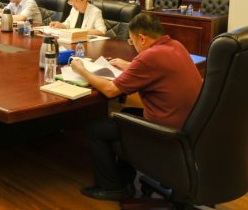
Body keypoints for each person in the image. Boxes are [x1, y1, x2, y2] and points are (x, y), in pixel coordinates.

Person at [70, 13, 203, 201]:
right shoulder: (175, 46)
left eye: (132, 41)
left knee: (95, 129)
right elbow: (156, 69)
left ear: (142, 38)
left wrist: (81, 70)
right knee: (126, 114)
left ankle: (111, 188)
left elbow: (110, 90)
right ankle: (126, 181)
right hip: (189, 127)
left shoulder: (150, 57)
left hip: (165, 134)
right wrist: (131, 65)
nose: (133, 46)